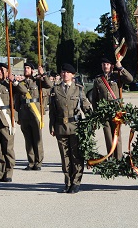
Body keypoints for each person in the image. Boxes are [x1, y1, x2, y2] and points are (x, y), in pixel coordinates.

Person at [49, 63, 92, 194]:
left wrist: (92, 118)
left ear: (73, 75)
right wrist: (52, 126)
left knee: (76, 156)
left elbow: (85, 106)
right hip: (60, 126)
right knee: (65, 156)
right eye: (63, 72)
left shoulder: (78, 89)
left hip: (75, 127)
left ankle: (76, 182)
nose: (64, 74)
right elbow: (52, 111)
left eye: (68, 72)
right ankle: (67, 182)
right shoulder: (55, 90)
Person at [91, 57, 133, 160]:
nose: (105, 66)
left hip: (116, 112)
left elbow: (130, 79)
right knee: (108, 136)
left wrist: (121, 68)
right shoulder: (98, 79)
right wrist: (97, 113)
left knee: (116, 135)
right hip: (104, 113)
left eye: (108, 64)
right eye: (104, 64)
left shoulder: (117, 76)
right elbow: (94, 98)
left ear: (111, 66)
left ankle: (118, 159)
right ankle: (111, 158)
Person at [15, 62, 53, 171]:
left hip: (35, 112)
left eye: (28, 68)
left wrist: (43, 74)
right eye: (25, 68)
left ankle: (38, 161)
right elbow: (17, 101)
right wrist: (17, 116)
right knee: (28, 139)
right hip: (24, 113)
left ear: (32, 70)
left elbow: (49, 85)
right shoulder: (20, 83)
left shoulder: (38, 81)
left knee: (37, 138)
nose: (26, 70)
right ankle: (31, 162)